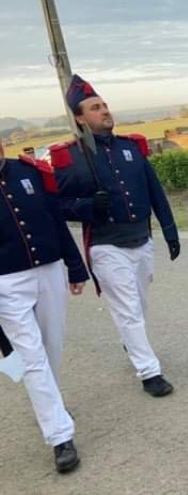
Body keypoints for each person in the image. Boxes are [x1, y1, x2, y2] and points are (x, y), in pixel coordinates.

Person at [51, 75, 177, 397]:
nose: (105, 110)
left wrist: (170, 229)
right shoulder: (70, 157)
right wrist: (87, 205)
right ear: (80, 118)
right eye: (95, 107)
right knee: (128, 310)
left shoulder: (131, 147)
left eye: (105, 105)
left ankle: (131, 341)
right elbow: (59, 206)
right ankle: (150, 371)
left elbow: (154, 191)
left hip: (141, 239)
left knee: (140, 305)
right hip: (107, 246)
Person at [0, 139, 87, 472]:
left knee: (52, 346)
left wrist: (75, 267)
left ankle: (53, 405)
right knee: (32, 357)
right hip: (6, 282)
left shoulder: (29, 171)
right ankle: (59, 436)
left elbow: (55, 221)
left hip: (49, 269)